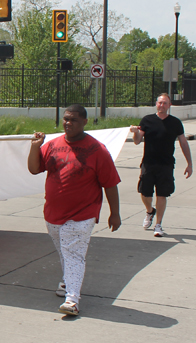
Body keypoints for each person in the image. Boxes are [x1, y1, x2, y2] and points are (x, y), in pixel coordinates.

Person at [27, 104, 121, 316]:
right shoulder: (52, 145)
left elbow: (110, 183)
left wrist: (114, 213)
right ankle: (67, 282)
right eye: (66, 119)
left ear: (85, 122)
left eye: (74, 120)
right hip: (53, 213)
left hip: (82, 213)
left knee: (73, 254)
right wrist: (35, 146)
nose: (68, 123)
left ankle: (72, 300)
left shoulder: (98, 150)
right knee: (65, 251)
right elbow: (34, 169)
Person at [130, 93, 192, 237]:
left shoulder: (175, 122)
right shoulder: (147, 120)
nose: (162, 105)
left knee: (162, 194)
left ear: (169, 105)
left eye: (165, 103)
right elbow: (137, 140)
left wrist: (189, 164)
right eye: (160, 103)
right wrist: (134, 132)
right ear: (156, 104)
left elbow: (183, 142)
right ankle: (150, 211)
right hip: (149, 163)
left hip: (166, 164)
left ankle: (158, 225)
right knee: (145, 193)